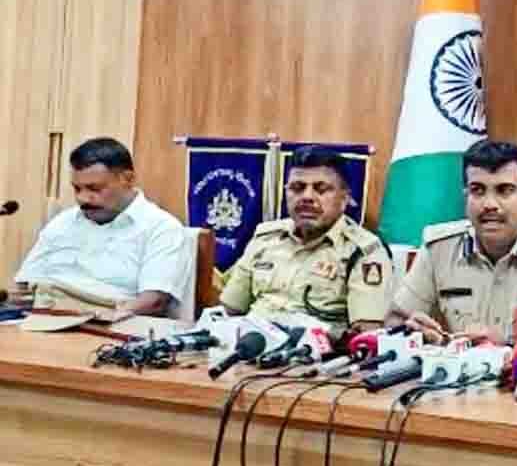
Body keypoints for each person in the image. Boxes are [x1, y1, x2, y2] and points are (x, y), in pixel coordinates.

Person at [385, 139, 517, 344]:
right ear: (466, 197)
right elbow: (396, 321)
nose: (489, 204)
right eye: (477, 190)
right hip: (455, 370)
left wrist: (509, 346)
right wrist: (416, 334)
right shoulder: (439, 249)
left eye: (504, 191)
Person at [219, 146, 392, 335]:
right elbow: (230, 310)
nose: (307, 197)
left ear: (344, 199)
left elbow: (366, 335)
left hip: (313, 350)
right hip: (247, 343)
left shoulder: (363, 251)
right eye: (297, 188)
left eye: (321, 189)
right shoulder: (266, 237)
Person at [14, 137, 187, 317]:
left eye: (94, 189)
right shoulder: (63, 222)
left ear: (127, 179)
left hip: (111, 323)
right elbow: (24, 285)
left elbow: (153, 302)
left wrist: (97, 317)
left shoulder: (161, 228)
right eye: (77, 189)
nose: (82, 198)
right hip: (43, 316)